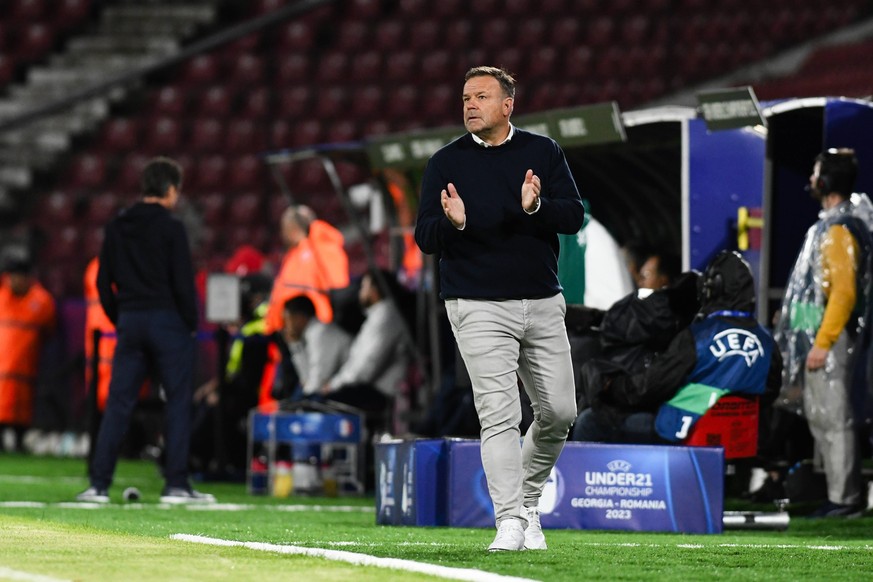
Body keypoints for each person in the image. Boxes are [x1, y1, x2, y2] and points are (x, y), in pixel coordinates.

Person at [414, 66, 585, 551]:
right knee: (499, 415)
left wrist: (536, 208)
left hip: (542, 300)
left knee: (559, 412)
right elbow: (425, 236)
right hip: (476, 304)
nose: (470, 104)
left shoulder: (543, 152)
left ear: (507, 105)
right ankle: (509, 520)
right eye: (466, 97)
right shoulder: (444, 163)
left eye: (481, 97)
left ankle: (527, 503)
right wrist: (453, 224)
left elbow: (573, 215)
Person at [77, 156, 214, 504]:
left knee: (119, 403)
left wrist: (119, 317)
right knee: (178, 402)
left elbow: (103, 282)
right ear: (170, 189)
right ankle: (176, 486)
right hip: (168, 322)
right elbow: (184, 283)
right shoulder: (172, 227)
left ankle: (98, 485)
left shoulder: (117, 225)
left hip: (131, 321)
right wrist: (188, 324)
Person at [573, 251, 782, 445]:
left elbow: (649, 388)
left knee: (589, 422)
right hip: (737, 437)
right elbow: (770, 392)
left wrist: (611, 386)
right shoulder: (767, 342)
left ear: (713, 288)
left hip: (683, 430)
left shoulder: (698, 336)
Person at [773, 148, 873, 518]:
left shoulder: (838, 230)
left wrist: (822, 342)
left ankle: (844, 499)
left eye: (817, 173)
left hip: (830, 341)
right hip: (822, 338)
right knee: (823, 419)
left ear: (827, 180)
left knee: (835, 420)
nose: (812, 180)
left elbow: (843, 293)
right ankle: (838, 493)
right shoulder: (832, 224)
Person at [321, 268, 410, 435]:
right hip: (369, 388)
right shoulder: (376, 316)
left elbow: (366, 367)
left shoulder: (386, 317)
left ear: (375, 290)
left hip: (382, 393)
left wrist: (333, 386)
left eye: (364, 287)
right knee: (319, 400)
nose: (360, 292)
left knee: (324, 403)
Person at [0, 249, 56, 451]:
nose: (12, 281)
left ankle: (19, 442)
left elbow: (50, 330)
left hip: (26, 371)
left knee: (22, 412)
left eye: (16, 276)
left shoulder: (41, 302)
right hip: (3, 370)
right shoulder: (2, 297)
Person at [265, 204, 349, 333]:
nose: (283, 233)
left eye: (285, 228)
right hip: (292, 329)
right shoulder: (295, 254)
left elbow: (337, 290)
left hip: (318, 327)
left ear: (293, 228)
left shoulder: (324, 250)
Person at [283, 294, 352, 400]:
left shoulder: (320, 332)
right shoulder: (310, 335)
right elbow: (306, 379)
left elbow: (318, 380)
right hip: (338, 390)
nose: (285, 326)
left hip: (351, 391)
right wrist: (295, 345)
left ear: (299, 318)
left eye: (287, 319)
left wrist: (302, 399)